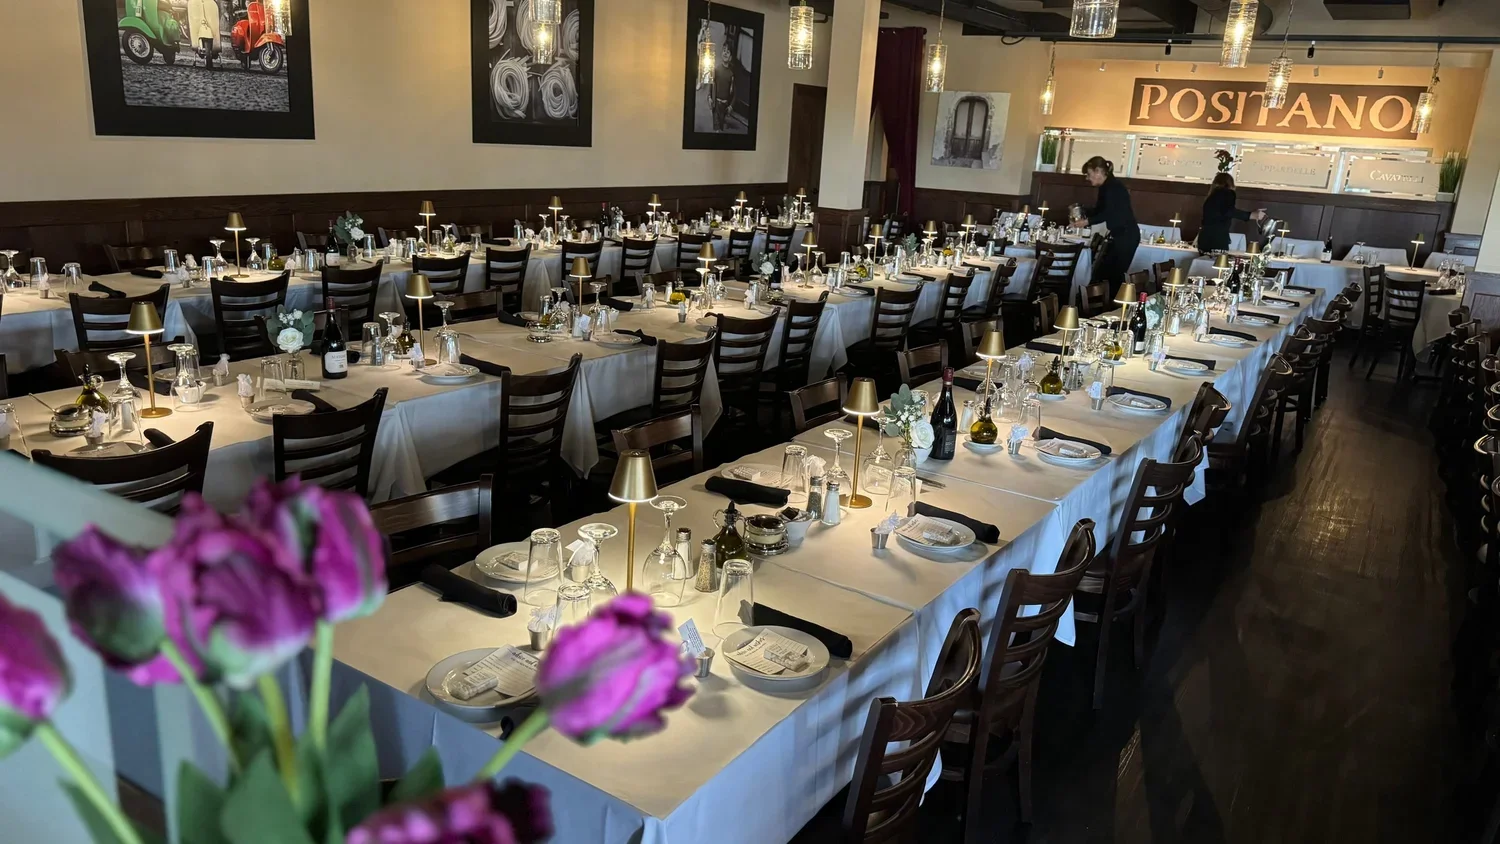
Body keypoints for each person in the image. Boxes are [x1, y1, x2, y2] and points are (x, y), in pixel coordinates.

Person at [1074, 157, 1139, 294]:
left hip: (1126, 236)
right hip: (1120, 234)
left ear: (1098, 172)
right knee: (1105, 274)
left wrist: (1086, 222)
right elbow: (1100, 210)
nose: (1087, 178)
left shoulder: (1113, 187)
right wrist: (1081, 211)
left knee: (1113, 276)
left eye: (1089, 174)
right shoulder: (1106, 187)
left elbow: (1108, 213)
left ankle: (1108, 308)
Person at [1198, 173, 1266, 253]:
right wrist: (1251, 215)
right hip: (1217, 239)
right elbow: (1228, 211)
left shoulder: (1211, 196)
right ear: (1230, 183)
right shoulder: (1228, 193)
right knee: (1217, 263)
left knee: (1204, 263)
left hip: (1204, 238)